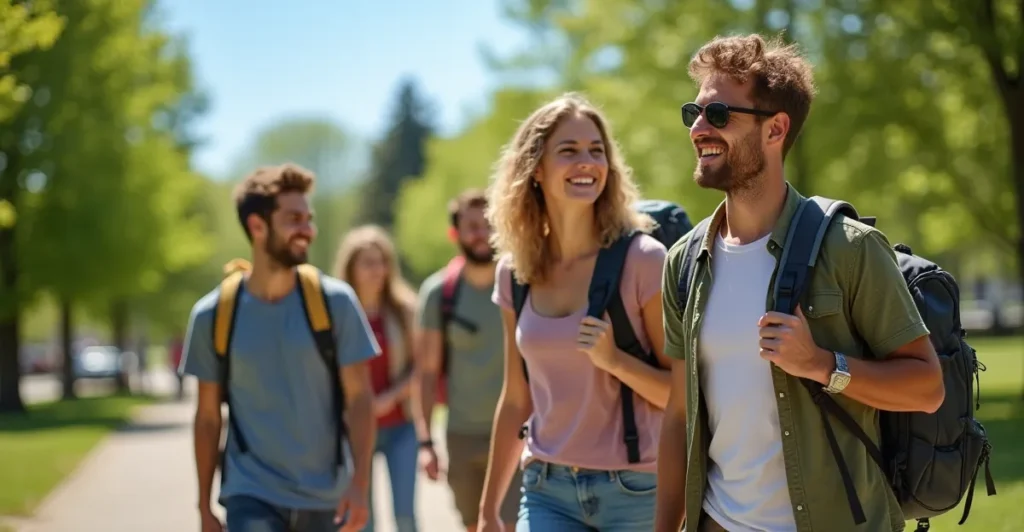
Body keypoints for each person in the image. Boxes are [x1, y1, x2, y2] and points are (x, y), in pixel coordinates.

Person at [655, 34, 944, 532]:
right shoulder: (685, 261)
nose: (699, 128)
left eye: (719, 115)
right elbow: (679, 413)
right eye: (694, 113)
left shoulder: (850, 249)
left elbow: (927, 388)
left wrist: (822, 365)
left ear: (776, 130)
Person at [479, 92, 672, 532]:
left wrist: (615, 361)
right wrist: (489, 509)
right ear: (536, 171)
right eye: (568, 151)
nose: (586, 162)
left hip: (637, 492)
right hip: (547, 487)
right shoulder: (515, 273)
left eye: (596, 151)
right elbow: (514, 398)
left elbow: (681, 396)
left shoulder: (643, 260)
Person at [179, 163, 379, 532]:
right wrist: (203, 506)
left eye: (309, 218)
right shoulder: (214, 315)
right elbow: (207, 416)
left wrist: (360, 485)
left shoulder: (335, 303)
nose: (307, 230)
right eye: (294, 219)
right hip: (250, 493)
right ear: (257, 226)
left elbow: (360, 399)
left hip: (326, 497)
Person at [410, 189, 522, 531]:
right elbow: (426, 373)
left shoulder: (523, 283)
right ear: (454, 233)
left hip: (519, 432)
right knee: (475, 526)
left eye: (488, 224)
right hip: (462, 436)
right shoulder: (438, 294)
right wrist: (426, 442)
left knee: (514, 524)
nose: (481, 234)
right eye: (471, 226)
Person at [333, 224, 420, 532]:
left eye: (382, 261)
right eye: (368, 262)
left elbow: (421, 366)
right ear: (351, 268)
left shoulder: (404, 310)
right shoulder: (335, 314)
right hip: (353, 430)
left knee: (406, 517)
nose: (377, 270)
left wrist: (390, 398)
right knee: (361, 519)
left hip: (400, 426)